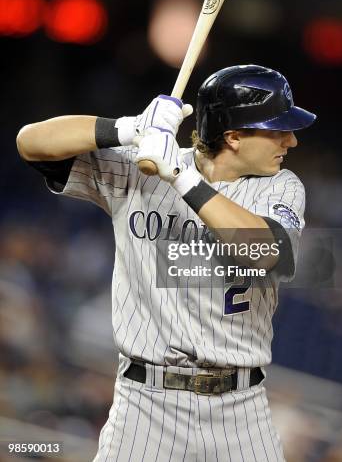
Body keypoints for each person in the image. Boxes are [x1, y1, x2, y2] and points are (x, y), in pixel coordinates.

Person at [17, 64, 316, 462]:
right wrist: (128, 128)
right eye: (277, 129)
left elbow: (265, 254)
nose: (291, 141)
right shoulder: (143, 165)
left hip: (240, 408)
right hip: (144, 403)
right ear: (234, 136)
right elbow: (31, 143)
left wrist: (180, 177)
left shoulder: (280, 186)